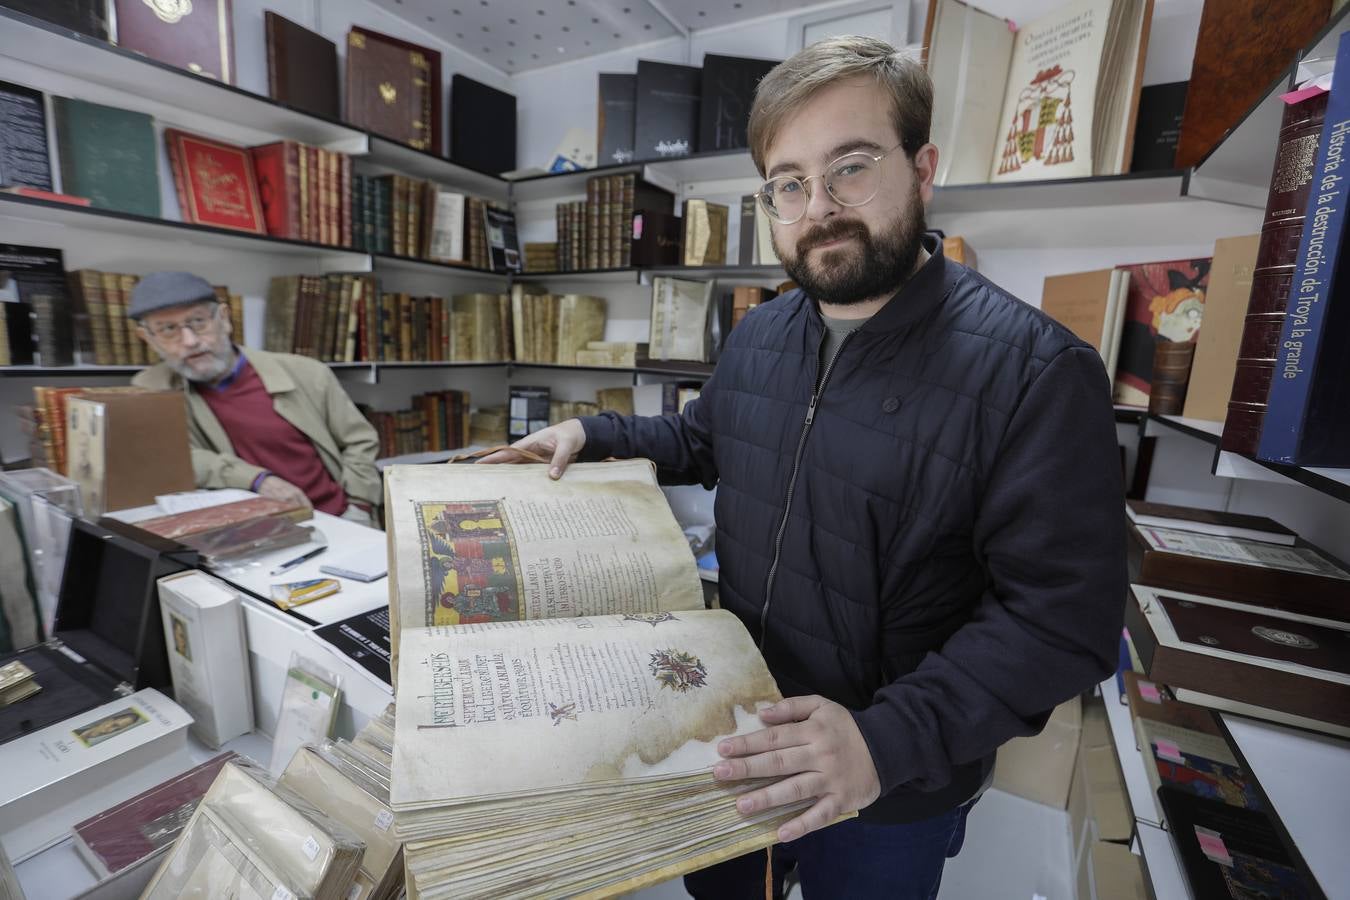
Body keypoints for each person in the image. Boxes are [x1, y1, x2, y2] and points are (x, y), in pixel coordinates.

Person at [483, 35, 1126, 900]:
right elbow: (708, 438)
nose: (818, 206)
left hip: (888, 786)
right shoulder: (762, 332)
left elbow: (1062, 621)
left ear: (923, 167)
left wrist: (883, 743)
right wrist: (589, 435)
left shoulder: (1035, 371)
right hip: (733, 726)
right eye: (789, 183)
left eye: (851, 167)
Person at [130, 271, 381, 524]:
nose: (190, 341)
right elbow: (174, 457)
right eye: (168, 329)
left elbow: (359, 441)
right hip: (247, 535)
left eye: (198, 322)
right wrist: (256, 479)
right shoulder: (150, 390)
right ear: (148, 338)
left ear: (224, 319)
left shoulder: (308, 373)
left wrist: (359, 506)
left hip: (337, 518)